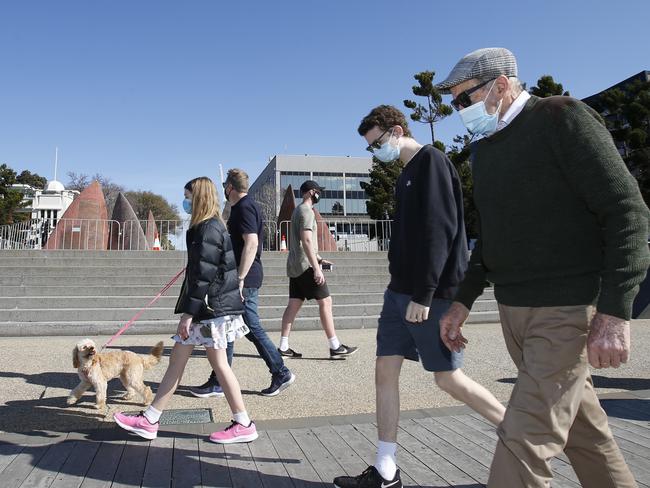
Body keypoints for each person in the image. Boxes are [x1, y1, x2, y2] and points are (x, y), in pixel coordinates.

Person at [436, 47, 650, 487]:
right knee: (585, 436)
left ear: (500, 85)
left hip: (565, 313)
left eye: (463, 99)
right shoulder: (485, 149)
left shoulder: (562, 117)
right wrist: (462, 302)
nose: (459, 111)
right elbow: (491, 240)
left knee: (523, 441)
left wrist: (614, 311)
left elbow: (628, 212)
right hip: (514, 313)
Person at [333, 106, 506, 488]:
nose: (375, 151)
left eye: (377, 143)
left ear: (397, 131)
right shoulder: (406, 174)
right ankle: (385, 468)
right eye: (370, 147)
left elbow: (439, 231)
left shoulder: (433, 163)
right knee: (384, 371)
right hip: (399, 292)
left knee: (447, 379)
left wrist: (425, 294)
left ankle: (518, 433)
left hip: (429, 295)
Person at [114, 176, 258, 444]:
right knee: (180, 363)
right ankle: (151, 419)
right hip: (210, 307)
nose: (185, 202)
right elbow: (201, 271)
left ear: (199, 197)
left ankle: (243, 422)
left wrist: (188, 314)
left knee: (218, 365)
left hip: (210, 308)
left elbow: (203, 276)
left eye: (188, 197)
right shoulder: (207, 227)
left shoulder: (208, 229)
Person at [190, 169, 295, 398]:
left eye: (225, 187)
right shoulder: (240, 207)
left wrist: (239, 278)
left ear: (229, 187)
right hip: (239, 277)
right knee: (227, 327)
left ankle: (281, 371)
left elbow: (252, 243)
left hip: (244, 278)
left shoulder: (246, 207)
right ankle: (219, 380)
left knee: (251, 326)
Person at [277, 180, 358, 359]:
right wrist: (316, 268)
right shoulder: (307, 211)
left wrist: (320, 259)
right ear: (308, 192)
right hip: (305, 266)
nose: (318, 194)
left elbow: (303, 243)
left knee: (294, 304)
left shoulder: (298, 210)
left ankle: (283, 347)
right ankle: (335, 346)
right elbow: (306, 240)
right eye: (316, 191)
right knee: (326, 302)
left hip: (295, 265)